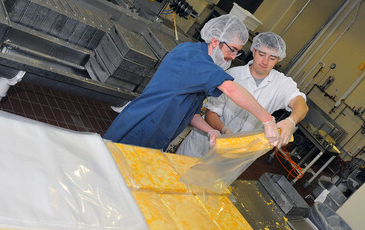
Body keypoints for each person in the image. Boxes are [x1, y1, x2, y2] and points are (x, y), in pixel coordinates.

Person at [103, 15, 280, 150]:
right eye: (232, 50)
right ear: (216, 41)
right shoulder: (194, 56)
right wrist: (268, 120)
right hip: (141, 127)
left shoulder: (204, 66)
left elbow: (191, 113)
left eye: (237, 53)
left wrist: (210, 130)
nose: (233, 57)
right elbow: (231, 89)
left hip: (158, 135)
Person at [177, 32, 309, 157]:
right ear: (254, 51)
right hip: (201, 145)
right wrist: (224, 130)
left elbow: (301, 104)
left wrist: (291, 121)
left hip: (234, 156)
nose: (265, 62)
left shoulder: (281, 83)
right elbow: (211, 113)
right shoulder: (233, 74)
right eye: (262, 54)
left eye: (272, 58)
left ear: (278, 60)